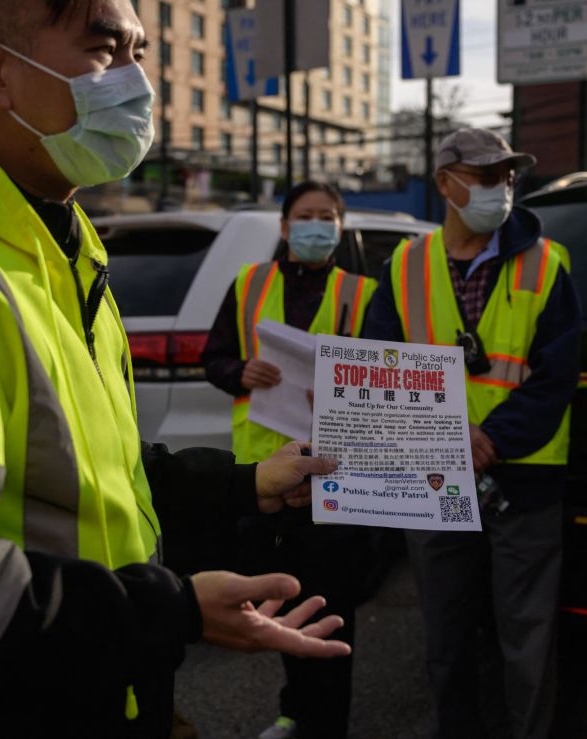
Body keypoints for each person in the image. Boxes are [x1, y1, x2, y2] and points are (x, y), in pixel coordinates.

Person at [0, 2, 352, 737]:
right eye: (105, 49)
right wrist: (170, 609)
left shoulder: (55, 248)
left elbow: (87, 473)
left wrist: (245, 487)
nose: (140, 81)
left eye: (140, 50)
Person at [361, 129, 580, 739]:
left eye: (507, 178)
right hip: (431, 476)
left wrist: (491, 440)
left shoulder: (548, 264)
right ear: (445, 184)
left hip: (524, 477)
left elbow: (556, 376)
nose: (499, 189)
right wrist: (452, 439)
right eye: (484, 177)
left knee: (527, 636)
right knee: (444, 630)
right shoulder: (404, 266)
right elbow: (382, 368)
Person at [202, 180, 377, 739]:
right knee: (283, 599)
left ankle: (329, 725)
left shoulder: (365, 292)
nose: (316, 224)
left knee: (334, 604)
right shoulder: (249, 283)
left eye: (327, 216)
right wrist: (239, 372)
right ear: (283, 226)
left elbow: (384, 375)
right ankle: (294, 711)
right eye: (305, 215)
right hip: (266, 478)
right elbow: (215, 358)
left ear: (341, 227)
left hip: (337, 475)